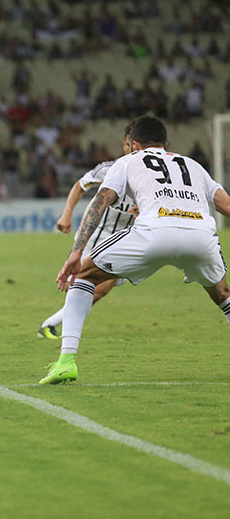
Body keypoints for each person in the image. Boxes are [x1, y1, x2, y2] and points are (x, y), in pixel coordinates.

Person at [41, 115, 230, 384]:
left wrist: (76, 252)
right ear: (166, 143)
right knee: (224, 296)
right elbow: (227, 206)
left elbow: (100, 202)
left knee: (83, 276)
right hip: (200, 237)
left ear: (133, 143)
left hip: (154, 234)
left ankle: (66, 362)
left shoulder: (127, 161)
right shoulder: (193, 165)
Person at [37, 123, 137, 340]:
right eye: (131, 145)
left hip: (123, 239)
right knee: (83, 285)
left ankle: (50, 324)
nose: (135, 150)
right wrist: (66, 213)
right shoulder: (108, 170)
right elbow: (79, 186)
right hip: (95, 236)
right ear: (125, 145)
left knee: (100, 291)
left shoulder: (150, 178)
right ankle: (53, 328)